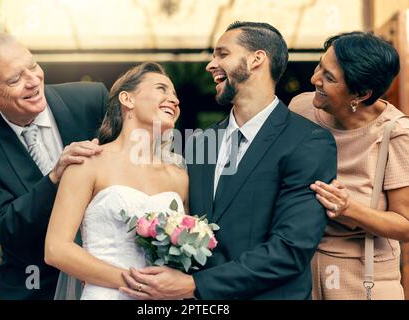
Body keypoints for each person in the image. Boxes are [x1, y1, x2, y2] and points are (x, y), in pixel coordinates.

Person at [119, 21, 337, 300]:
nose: (211, 65)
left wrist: (195, 286)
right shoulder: (200, 142)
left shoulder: (308, 141)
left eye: (222, 54)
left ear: (257, 59)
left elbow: (290, 250)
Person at [0, 32, 108, 299]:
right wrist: (54, 178)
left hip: (107, 276)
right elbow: (4, 226)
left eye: (33, 65)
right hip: (33, 285)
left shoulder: (93, 99)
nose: (33, 81)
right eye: (15, 79)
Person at [44, 62, 187, 300]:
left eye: (175, 95)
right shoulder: (87, 163)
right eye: (162, 89)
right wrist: (137, 283)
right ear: (127, 99)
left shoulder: (179, 177)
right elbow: (56, 249)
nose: (174, 100)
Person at [289, 31, 409, 300]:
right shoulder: (301, 109)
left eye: (329, 77)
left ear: (361, 94)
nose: (314, 79)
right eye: (320, 65)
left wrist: (349, 209)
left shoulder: (396, 133)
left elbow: (405, 224)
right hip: (301, 275)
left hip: (363, 281)